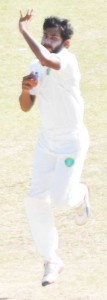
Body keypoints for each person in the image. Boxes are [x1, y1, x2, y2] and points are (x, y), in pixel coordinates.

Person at [19, 10, 90, 287]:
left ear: (65, 43)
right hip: (46, 142)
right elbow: (25, 107)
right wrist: (25, 90)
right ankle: (52, 260)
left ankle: (82, 191)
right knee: (34, 200)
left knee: (61, 199)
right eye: (45, 36)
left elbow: (47, 58)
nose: (48, 41)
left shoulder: (67, 62)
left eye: (54, 37)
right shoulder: (36, 65)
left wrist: (23, 30)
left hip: (71, 142)